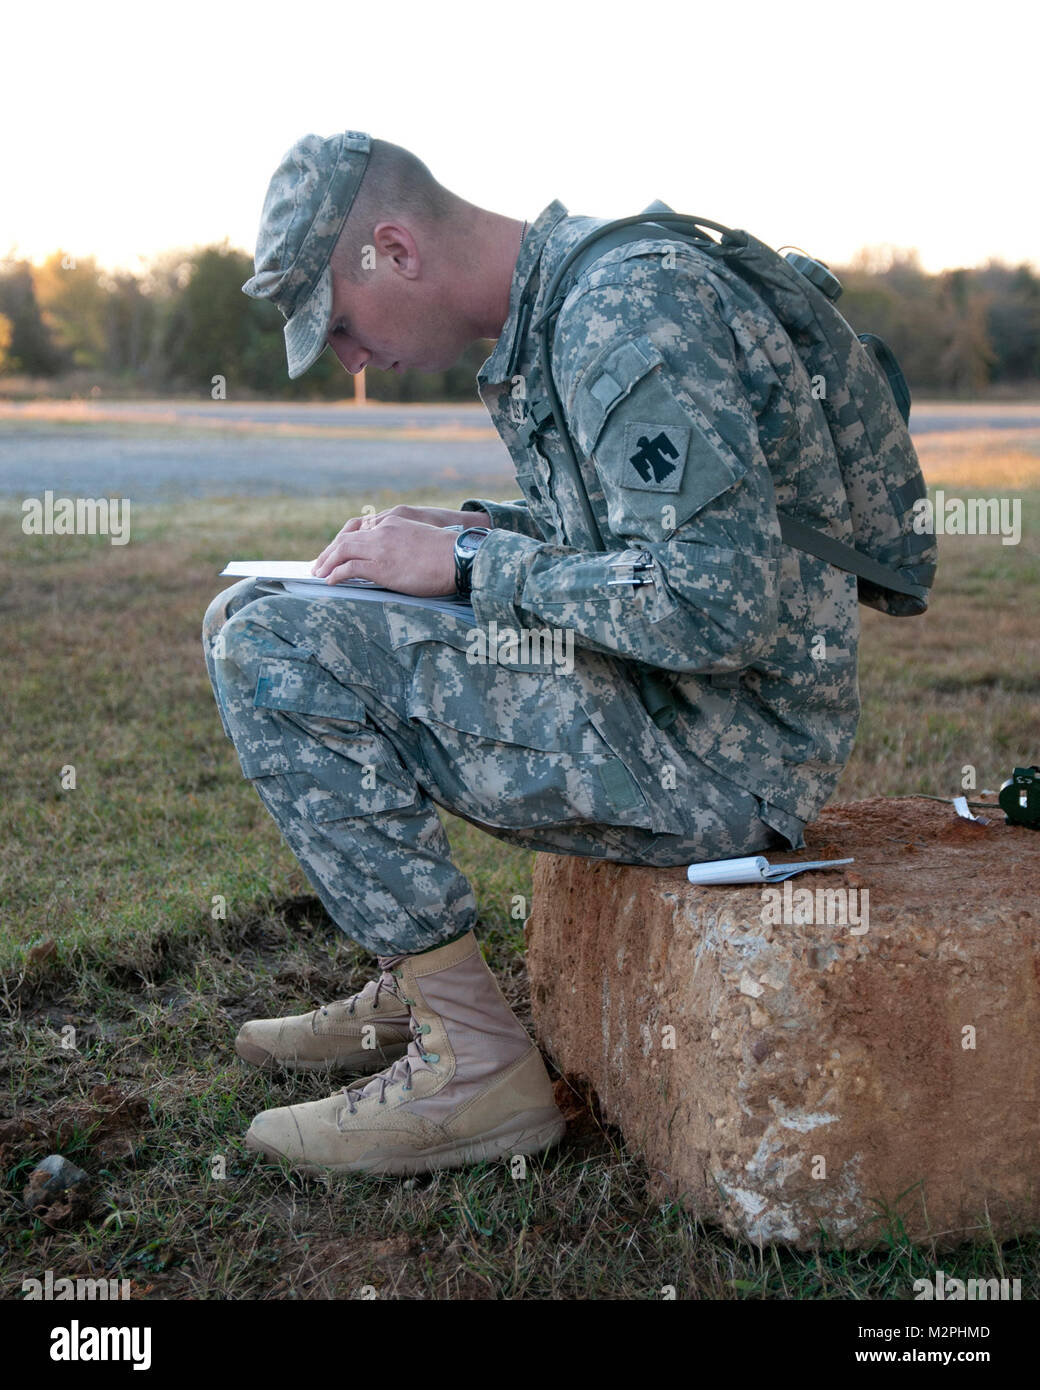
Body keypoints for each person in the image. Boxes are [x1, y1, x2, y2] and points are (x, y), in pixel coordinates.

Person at [203, 128, 860, 1177]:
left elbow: (714, 606)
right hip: (664, 697)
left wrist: (466, 566)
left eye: (340, 323)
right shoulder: (563, 306)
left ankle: (473, 1071)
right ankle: (418, 984)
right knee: (249, 610)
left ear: (395, 250)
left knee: (279, 648)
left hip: (721, 751)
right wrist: (471, 529)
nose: (353, 358)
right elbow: (626, 542)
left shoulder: (620, 314)